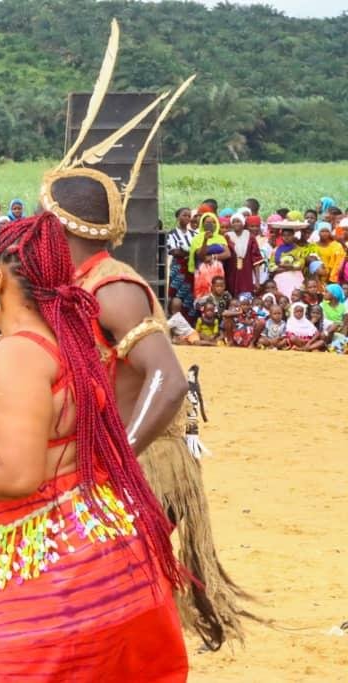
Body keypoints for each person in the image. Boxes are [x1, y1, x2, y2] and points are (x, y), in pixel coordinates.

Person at [0, 215, 188, 681]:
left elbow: (18, 475)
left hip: (58, 572)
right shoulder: (65, 341)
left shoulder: (18, 356)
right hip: (106, 557)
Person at [42, 96, 251, 647]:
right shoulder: (81, 284)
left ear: (54, 226)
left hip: (146, 472)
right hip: (118, 466)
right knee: (107, 613)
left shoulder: (113, 288)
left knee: (109, 612)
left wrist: (117, 457)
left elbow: (170, 378)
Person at [167, 207, 196, 314]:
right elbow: (174, 251)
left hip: (191, 268)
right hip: (178, 269)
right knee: (176, 294)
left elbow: (197, 249)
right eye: (184, 215)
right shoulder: (171, 233)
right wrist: (190, 253)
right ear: (177, 217)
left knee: (190, 294)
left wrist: (185, 252)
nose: (187, 218)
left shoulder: (194, 234)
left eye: (189, 216)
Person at [224, 213, 261, 297]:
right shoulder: (227, 236)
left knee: (245, 298)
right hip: (231, 273)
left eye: (238, 221)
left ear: (243, 223)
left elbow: (256, 260)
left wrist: (257, 281)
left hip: (246, 274)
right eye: (234, 222)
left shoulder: (250, 237)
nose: (236, 224)